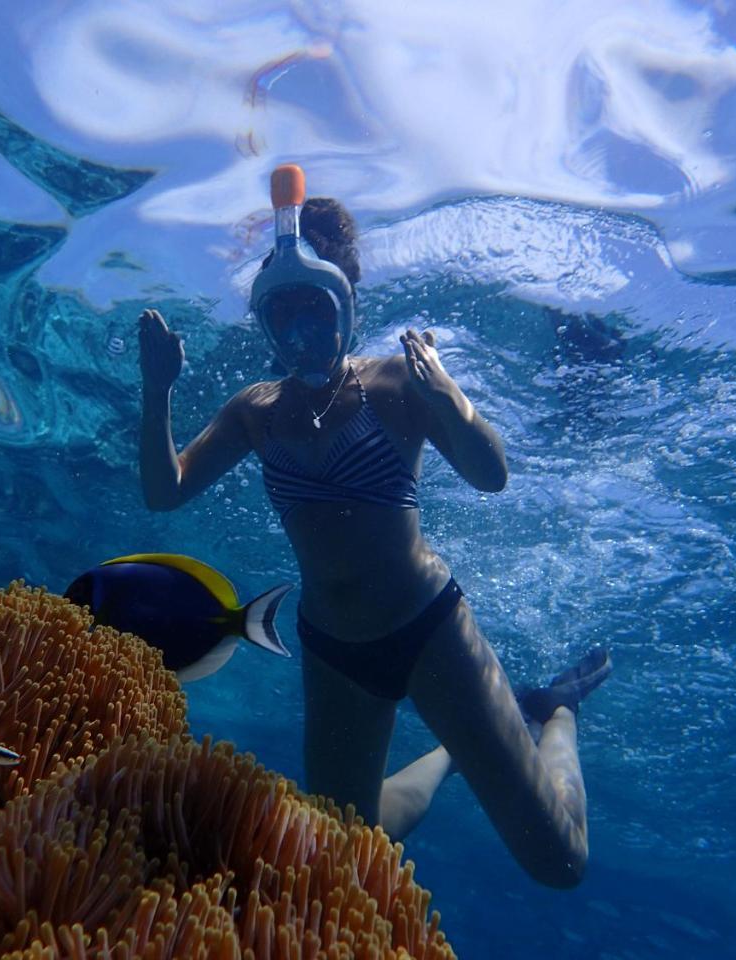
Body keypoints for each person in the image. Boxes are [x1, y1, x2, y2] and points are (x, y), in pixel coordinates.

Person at [137, 166, 611, 888]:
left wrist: (450, 399)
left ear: (346, 305)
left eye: (317, 313)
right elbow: (164, 492)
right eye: (283, 315)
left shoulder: (397, 386)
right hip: (333, 650)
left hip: (430, 630)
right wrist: (158, 391)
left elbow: (492, 475)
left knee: (561, 860)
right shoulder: (254, 411)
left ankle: (556, 714)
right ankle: (472, 740)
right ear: (264, 318)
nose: (302, 334)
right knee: (353, 844)